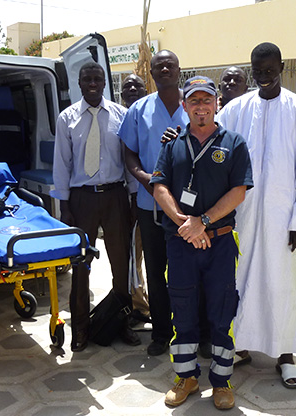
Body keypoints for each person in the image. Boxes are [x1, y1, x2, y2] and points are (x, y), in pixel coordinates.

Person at [216, 42, 296, 389]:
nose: (263, 76)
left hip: (284, 218)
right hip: (242, 215)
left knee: (284, 284)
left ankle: (286, 356)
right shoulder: (234, 110)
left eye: (269, 69)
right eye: (257, 70)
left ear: (282, 66)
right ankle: (242, 346)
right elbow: (213, 145)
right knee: (241, 279)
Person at [151, 76, 253, 410]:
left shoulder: (234, 142)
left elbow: (239, 190)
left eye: (206, 100)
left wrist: (203, 222)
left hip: (220, 243)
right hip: (181, 243)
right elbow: (159, 186)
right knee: (183, 312)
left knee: (222, 311)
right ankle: (187, 377)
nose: (200, 107)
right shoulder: (172, 143)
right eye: (193, 101)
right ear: (184, 107)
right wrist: (183, 222)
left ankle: (222, 382)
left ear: (216, 104)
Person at [52, 62, 140, 352]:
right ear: (79, 83)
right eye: (87, 79)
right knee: (80, 266)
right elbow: (61, 165)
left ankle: (122, 322)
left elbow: (130, 160)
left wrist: (134, 198)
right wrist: (64, 206)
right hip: (81, 200)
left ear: (105, 83)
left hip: (115, 196)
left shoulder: (121, 115)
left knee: (121, 264)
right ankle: (80, 328)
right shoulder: (67, 118)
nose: (93, 83)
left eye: (97, 79)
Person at [118, 50, 189, 356]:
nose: (163, 69)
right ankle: (161, 333)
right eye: (157, 65)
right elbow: (129, 152)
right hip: (151, 208)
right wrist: (143, 177)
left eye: (169, 65)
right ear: (151, 71)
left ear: (178, 70)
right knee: (157, 271)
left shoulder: (196, 105)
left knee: (187, 272)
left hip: (188, 209)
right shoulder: (139, 110)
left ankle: (188, 331)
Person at [120, 74, 152, 328]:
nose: (132, 89)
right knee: (133, 257)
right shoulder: (117, 118)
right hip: (126, 200)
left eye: (136, 85)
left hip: (154, 200)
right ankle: (139, 306)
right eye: (126, 86)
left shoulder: (154, 116)